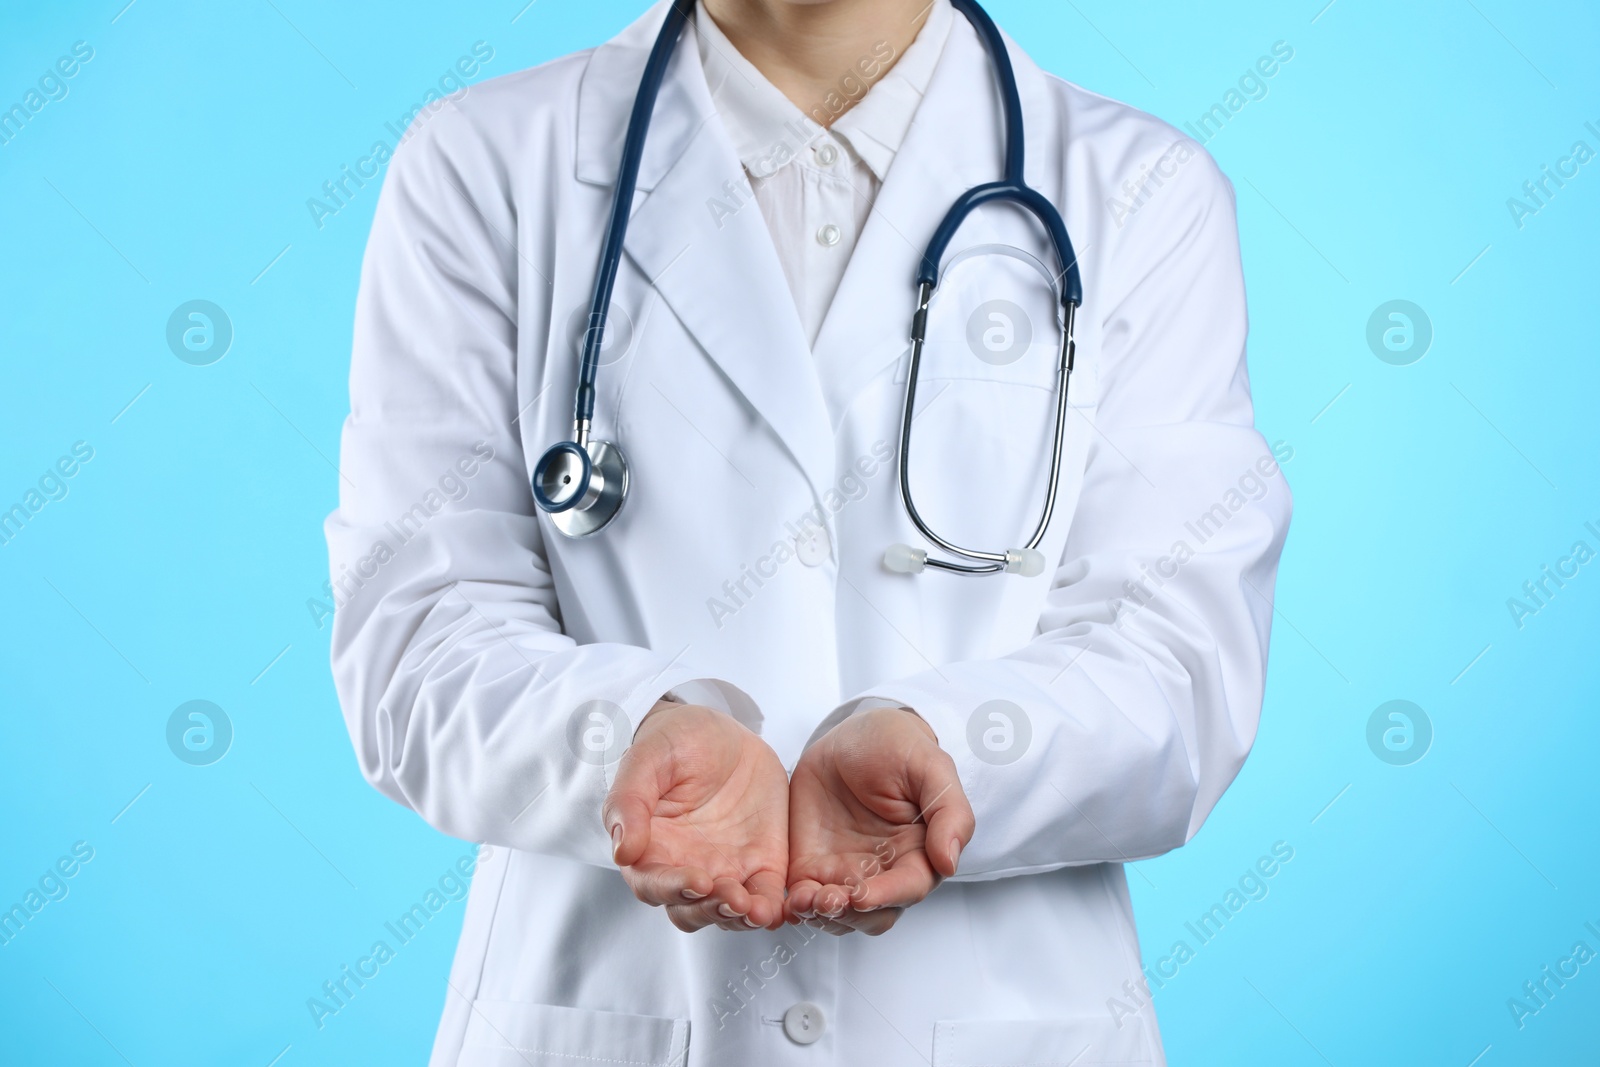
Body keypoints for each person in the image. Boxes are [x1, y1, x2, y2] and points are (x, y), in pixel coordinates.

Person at [325, 0, 1292, 1063]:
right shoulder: (484, 164)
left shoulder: (1141, 191)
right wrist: (623, 738)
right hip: (607, 1015)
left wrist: (959, 751)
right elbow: (417, 633)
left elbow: (1180, 660)